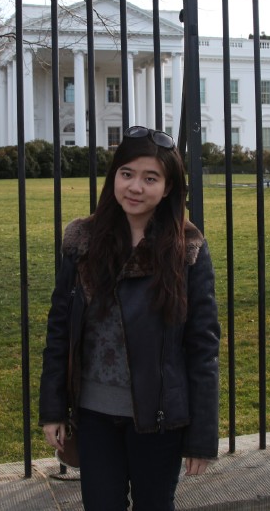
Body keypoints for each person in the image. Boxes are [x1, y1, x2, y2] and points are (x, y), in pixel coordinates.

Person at [39, 126, 220, 511]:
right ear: (114, 177)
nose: (135, 187)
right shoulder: (82, 241)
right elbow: (59, 332)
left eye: (150, 178)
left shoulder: (187, 249)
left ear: (168, 188)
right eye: (127, 174)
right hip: (93, 415)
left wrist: (202, 438)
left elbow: (203, 347)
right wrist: (53, 410)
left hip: (158, 419)